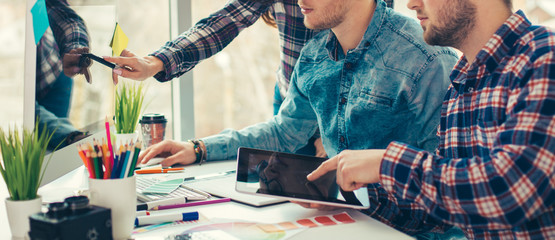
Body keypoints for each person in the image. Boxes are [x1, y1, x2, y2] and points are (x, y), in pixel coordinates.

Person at [138, 0, 459, 237]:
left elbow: (447, 188)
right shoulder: (315, 54)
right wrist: (199, 148)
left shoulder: (427, 59)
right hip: (347, 225)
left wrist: (344, 194)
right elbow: (285, 132)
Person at [306, 0, 555, 238]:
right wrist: (347, 193)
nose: (412, 3)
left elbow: (514, 191)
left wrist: (387, 163)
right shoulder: (461, 84)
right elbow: (441, 212)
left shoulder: (543, 56)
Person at [105, 0, 393, 157]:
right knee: (296, 194)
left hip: (354, 102)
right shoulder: (310, 60)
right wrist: (157, 62)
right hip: (296, 100)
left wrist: (335, 134)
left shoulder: (405, 46)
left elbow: (370, 49)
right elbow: (225, 21)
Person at [36, 0, 92, 150]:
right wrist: (69, 135)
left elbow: (66, 17)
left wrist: (75, 48)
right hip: (17, 92)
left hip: (54, 73)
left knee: (53, 161)